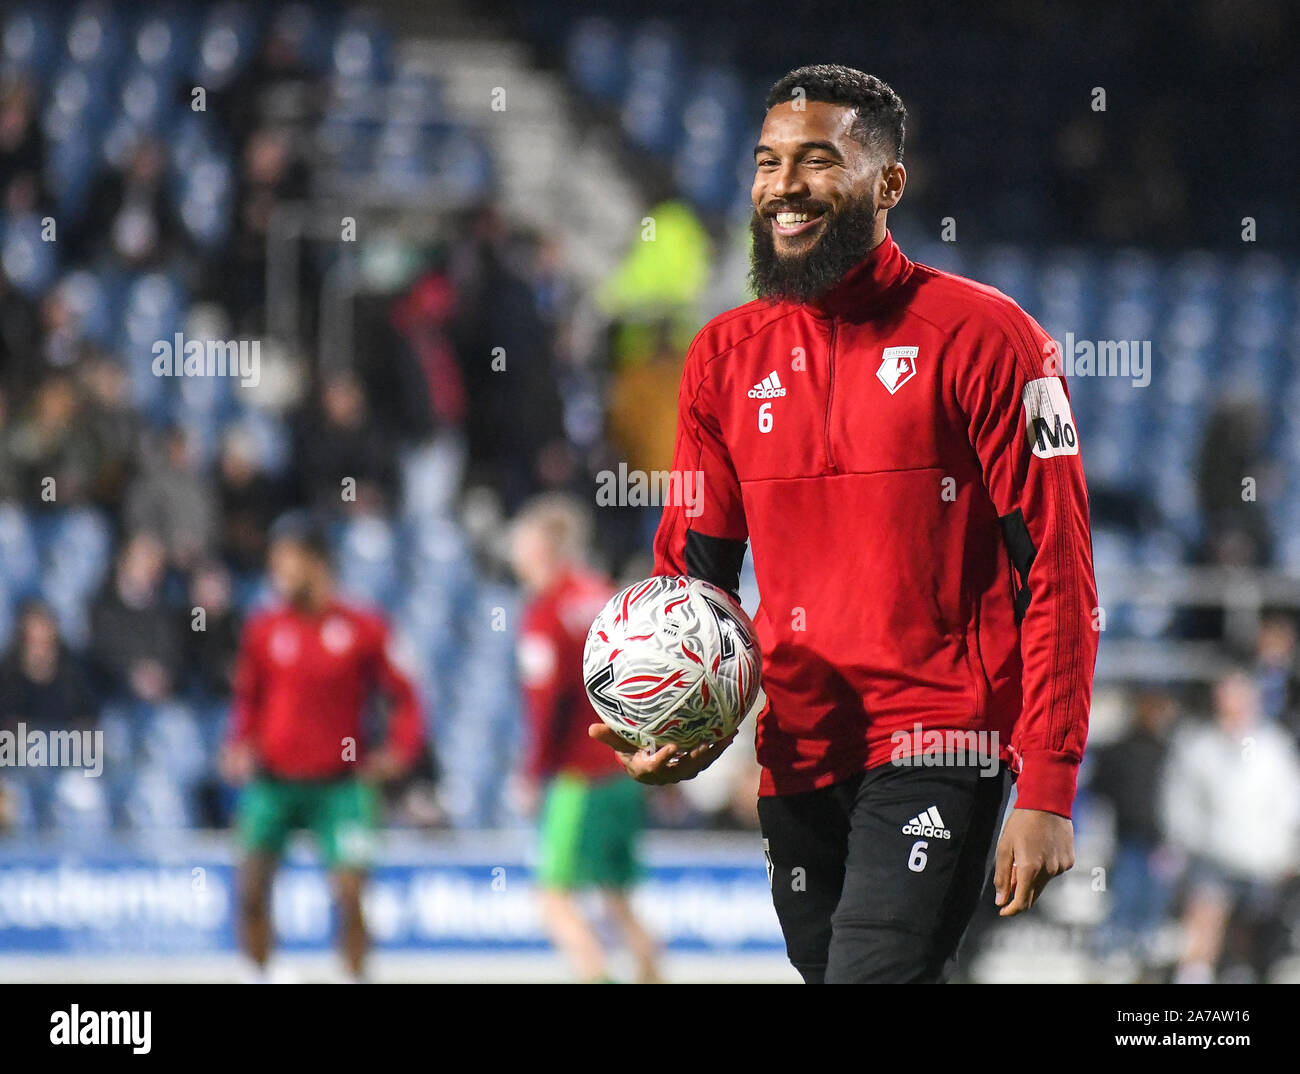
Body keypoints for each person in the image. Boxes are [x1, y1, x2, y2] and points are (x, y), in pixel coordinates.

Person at [589, 65, 1098, 983]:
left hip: (943, 740)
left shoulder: (992, 340)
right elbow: (692, 582)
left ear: (888, 184)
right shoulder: (720, 359)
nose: (784, 186)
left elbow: (1058, 569)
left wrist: (1049, 781)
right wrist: (671, 718)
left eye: (818, 162)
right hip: (800, 753)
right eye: (768, 162)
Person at [219, 515, 424, 983]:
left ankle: (354, 974)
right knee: (251, 889)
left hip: (341, 785)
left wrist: (399, 749)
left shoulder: (364, 628)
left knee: (351, 895)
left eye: (286, 562)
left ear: (317, 564)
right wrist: (238, 744)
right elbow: (248, 699)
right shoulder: (264, 628)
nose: (278, 574)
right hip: (272, 781)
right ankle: (263, 973)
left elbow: (407, 695)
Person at [509, 494, 660, 983]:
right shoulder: (607, 596)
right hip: (625, 773)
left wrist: (533, 775)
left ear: (541, 550)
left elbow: (545, 704)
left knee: (553, 898)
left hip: (580, 777)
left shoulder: (545, 612)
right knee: (617, 897)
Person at [1161, 670, 1300, 983]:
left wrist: (1282, 854)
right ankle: (1195, 973)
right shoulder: (1198, 746)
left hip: (1265, 862)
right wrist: (1192, 844)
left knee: (1260, 928)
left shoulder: (1274, 748)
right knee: (1207, 902)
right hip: (1213, 856)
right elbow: (1180, 805)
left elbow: (1289, 806)